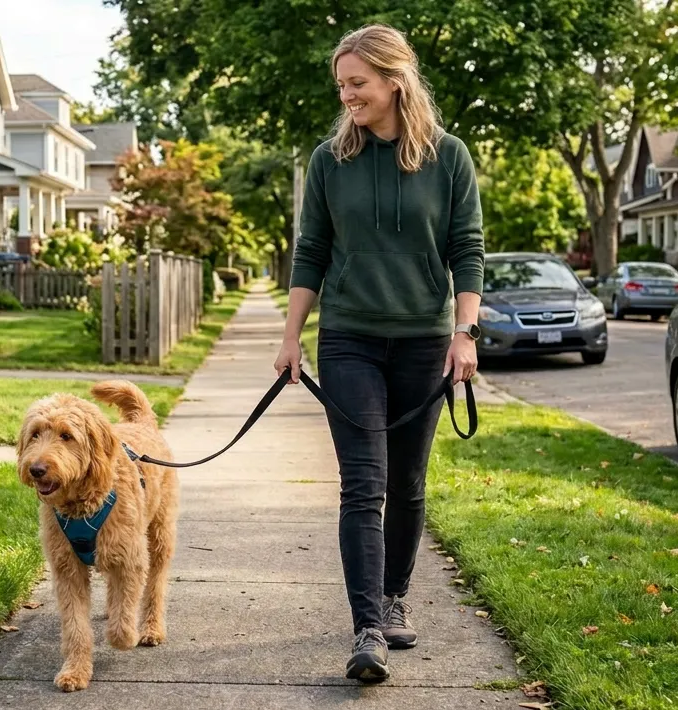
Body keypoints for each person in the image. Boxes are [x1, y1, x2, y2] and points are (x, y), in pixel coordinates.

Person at [274, 23, 484, 684]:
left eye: (357, 84)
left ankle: (394, 598)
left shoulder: (448, 157)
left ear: (394, 81)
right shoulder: (327, 159)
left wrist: (464, 332)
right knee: (364, 484)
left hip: (423, 341)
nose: (347, 96)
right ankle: (368, 626)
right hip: (350, 340)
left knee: (408, 482)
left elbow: (467, 249)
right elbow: (310, 251)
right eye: (341, 85)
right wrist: (290, 338)